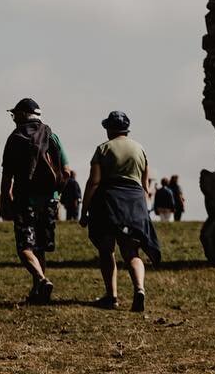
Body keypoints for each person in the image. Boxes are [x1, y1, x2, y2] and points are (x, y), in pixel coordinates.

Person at [80, 111, 161, 312]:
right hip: (134, 201)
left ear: (109, 128)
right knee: (131, 251)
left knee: (107, 250)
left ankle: (112, 296)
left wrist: (84, 210)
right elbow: (145, 185)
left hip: (109, 202)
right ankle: (139, 288)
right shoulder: (140, 149)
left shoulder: (103, 149)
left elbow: (94, 181)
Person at [0, 97, 70, 304]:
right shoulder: (51, 135)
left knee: (25, 246)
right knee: (39, 246)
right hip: (49, 200)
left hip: (25, 198)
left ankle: (41, 279)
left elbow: (7, 175)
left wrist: (6, 198)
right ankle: (37, 291)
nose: (13, 119)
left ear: (22, 115)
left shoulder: (14, 137)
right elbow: (66, 170)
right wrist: (57, 194)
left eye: (14, 115)